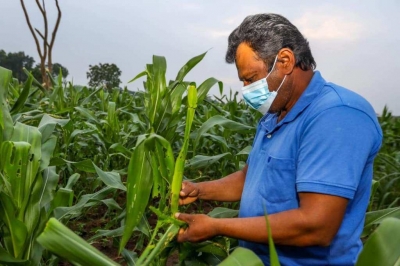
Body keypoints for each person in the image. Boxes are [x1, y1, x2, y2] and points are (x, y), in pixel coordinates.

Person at [175, 13, 383, 265]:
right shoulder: (275, 114)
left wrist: (217, 226)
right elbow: (249, 178)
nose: (247, 90)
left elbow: (316, 226)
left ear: (284, 60)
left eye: (251, 79)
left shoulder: (337, 115)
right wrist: (200, 190)